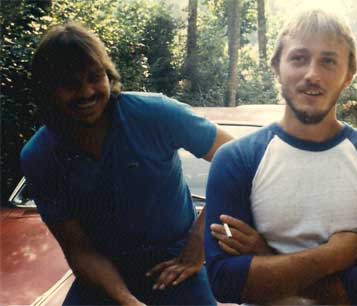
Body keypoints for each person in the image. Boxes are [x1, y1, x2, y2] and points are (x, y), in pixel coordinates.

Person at [20, 22, 232, 306]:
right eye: (71, 84)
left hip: (176, 263)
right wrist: (125, 299)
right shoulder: (40, 155)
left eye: (95, 77)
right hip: (103, 272)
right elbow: (79, 249)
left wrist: (199, 241)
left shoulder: (155, 114)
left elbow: (235, 158)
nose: (86, 92)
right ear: (47, 90)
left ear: (108, 74)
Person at [204, 9, 357, 306]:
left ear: (349, 75)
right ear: (276, 66)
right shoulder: (235, 160)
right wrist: (330, 257)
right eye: (298, 58)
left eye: (329, 61)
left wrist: (265, 257)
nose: (312, 74)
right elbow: (225, 280)